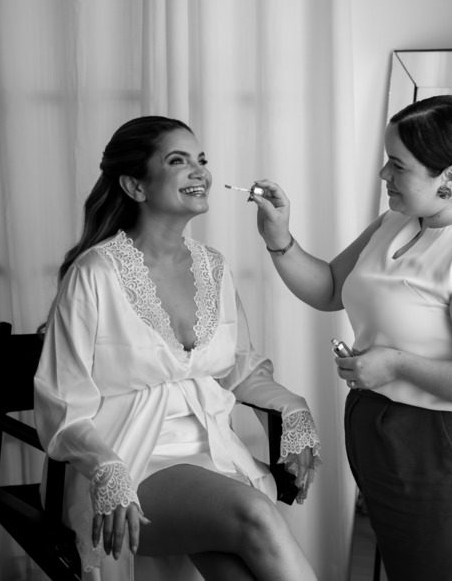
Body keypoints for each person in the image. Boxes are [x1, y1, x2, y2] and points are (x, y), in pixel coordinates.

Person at [246, 94, 452, 581]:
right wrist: (278, 237)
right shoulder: (400, 220)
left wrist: (395, 364)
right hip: (403, 444)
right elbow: (331, 287)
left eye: (397, 165)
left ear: (450, 179)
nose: (383, 176)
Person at [34, 116, 321, 581]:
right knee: (256, 515)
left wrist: (293, 408)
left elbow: (238, 367)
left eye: (201, 160)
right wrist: (106, 468)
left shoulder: (213, 268)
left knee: (241, 571)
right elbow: (62, 403)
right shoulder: (94, 274)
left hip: (214, 452)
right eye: (178, 161)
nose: (200, 171)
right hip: (128, 459)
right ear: (135, 185)